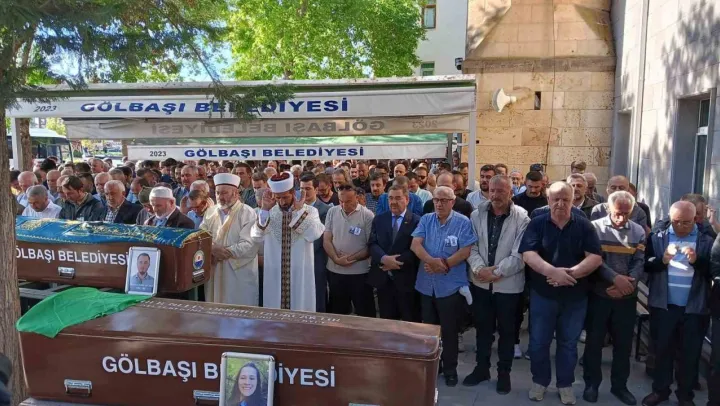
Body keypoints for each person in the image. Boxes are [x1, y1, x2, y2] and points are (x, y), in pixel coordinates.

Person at [519, 182, 603, 405]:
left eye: (565, 199)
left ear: (573, 200)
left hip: (575, 297)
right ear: (548, 200)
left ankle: (565, 385)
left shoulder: (584, 226)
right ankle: (540, 382)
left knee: (568, 344)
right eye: (556, 199)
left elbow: (595, 257)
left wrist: (569, 274)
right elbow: (528, 254)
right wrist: (552, 272)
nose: (560, 203)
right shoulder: (537, 223)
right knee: (538, 343)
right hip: (543, 295)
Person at [641, 201, 713, 406]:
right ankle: (660, 391)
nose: (681, 226)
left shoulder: (706, 241)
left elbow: (713, 270)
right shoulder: (657, 238)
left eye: (687, 222)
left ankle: (685, 396)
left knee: (690, 355)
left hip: (694, 307)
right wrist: (662, 261)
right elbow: (645, 265)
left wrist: (697, 261)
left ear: (696, 219)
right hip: (664, 306)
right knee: (662, 350)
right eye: (676, 222)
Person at [465, 175, 530, 394]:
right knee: (483, 330)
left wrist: (496, 273)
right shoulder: (476, 215)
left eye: (501, 191)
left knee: (507, 333)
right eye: (492, 190)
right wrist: (479, 269)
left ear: (511, 192)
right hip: (481, 284)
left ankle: (504, 374)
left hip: (508, 287)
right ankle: (481, 369)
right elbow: (471, 247)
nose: (495, 195)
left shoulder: (522, 218)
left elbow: (520, 254)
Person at [582, 191, 646, 405]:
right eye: (618, 213)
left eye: (626, 214)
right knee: (594, 342)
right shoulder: (594, 228)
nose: (621, 218)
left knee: (623, 345)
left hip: (626, 296)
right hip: (600, 294)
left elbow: (639, 262)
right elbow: (594, 261)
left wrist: (627, 285)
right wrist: (614, 279)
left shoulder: (638, 231)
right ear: (609, 208)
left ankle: (620, 386)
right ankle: (591, 384)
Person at [411, 186, 478, 387]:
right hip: (426, 285)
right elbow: (415, 244)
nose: (439, 204)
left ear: (453, 201)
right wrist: (432, 261)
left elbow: (465, 251)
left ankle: (450, 370)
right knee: (429, 332)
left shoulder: (462, 222)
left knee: (449, 331)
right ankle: (433, 367)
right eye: (436, 200)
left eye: (444, 200)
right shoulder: (426, 219)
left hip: (450, 286)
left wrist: (444, 265)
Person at [251, 172, 325, 311]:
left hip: (301, 271)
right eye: (278, 197)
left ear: (293, 193)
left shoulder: (309, 211)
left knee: (300, 307)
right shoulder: (269, 211)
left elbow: (314, 234)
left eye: (285, 197)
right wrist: (264, 210)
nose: (282, 202)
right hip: (275, 273)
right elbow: (256, 236)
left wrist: (298, 212)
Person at [200, 173, 260, 306]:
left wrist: (222, 252)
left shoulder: (247, 213)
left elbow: (249, 244)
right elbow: (201, 236)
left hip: (238, 274)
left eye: (224, 193)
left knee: (238, 311)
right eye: (217, 193)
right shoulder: (210, 212)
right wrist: (211, 248)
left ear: (236, 193)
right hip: (214, 271)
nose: (220, 197)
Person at [368, 184, 421, 322]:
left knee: (410, 322)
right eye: (390, 198)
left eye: (398, 198)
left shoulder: (417, 221)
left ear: (407, 200)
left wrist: (394, 263)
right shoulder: (379, 219)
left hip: (406, 281)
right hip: (384, 280)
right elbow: (372, 244)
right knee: (387, 323)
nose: (393, 202)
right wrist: (384, 258)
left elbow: (415, 250)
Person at [323, 184, 376, 317]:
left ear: (357, 197)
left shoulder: (367, 215)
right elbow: (327, 240)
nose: (344, 205)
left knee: (365, 313)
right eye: (341, 201)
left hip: (360, 274)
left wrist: (348, 259)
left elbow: (370, 246)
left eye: (348, 201)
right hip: (335, 272)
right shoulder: (332, 212)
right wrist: (336, 259)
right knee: (337, 313)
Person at [299, 173, 331, 312]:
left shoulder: (325, 210)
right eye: (301, 189)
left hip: (316, 260)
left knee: (317, 294)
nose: (304, 192)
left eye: (308, 188)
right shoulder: (295, 208)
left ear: (316, 190)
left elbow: (319, 238)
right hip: (298, 260)